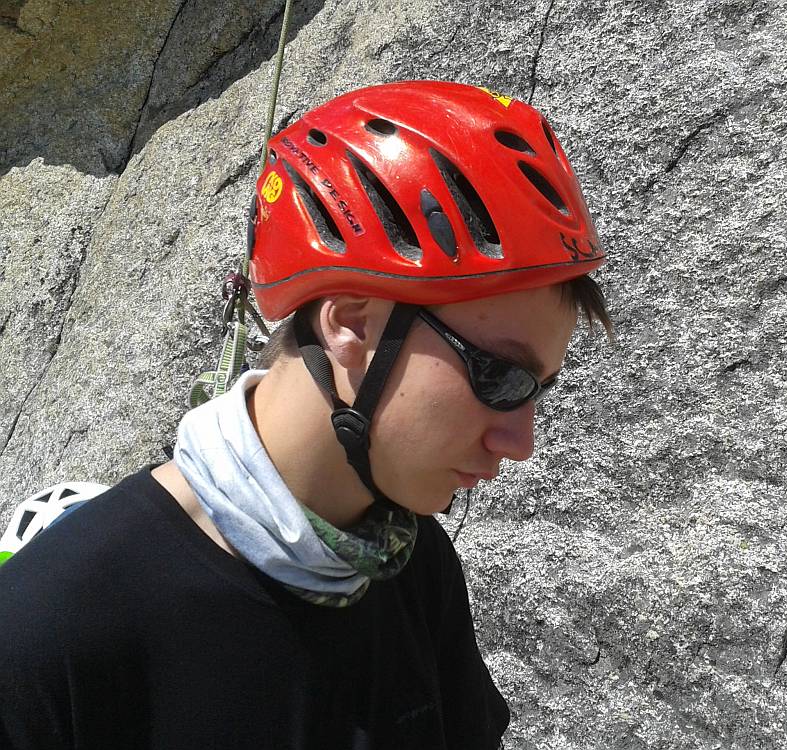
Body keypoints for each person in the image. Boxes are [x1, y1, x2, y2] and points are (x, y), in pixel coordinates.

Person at [0, 80, 611, 749]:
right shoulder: (47, 633)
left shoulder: (410, 564)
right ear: (351, 324)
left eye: (539, 389)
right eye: (499, 376)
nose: (520, 441)